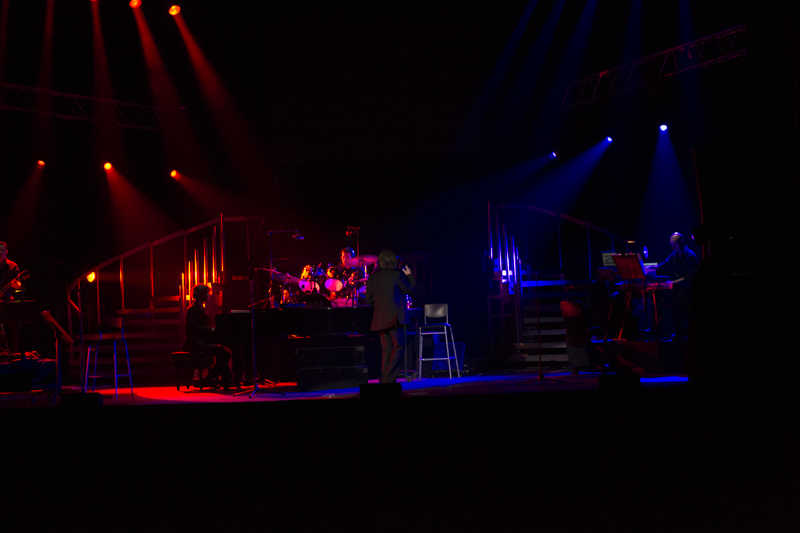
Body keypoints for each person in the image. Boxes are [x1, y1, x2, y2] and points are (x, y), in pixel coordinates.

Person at [364, 249, 416, 383]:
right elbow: (410, 289)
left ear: (381, 262)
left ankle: (386, 380)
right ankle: (388, 380)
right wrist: (409, 275)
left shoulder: (372, 278)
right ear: (393, 261)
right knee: (398, 347)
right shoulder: (396, 275)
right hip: (395, 318)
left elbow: (369, 300)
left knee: (386, 349)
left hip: (380, 318)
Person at [185, 284, 234, 389]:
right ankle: (220, 380)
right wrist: (209, 329)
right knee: (223, 353)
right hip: (195, 343)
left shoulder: (200, 308)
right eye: (206, 293)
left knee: (224, 353)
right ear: (200, 294)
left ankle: (214, 379)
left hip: (199, 342)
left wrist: (210, 329)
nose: (208, 295)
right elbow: (192, 327)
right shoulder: (192, 309)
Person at [655, 233, 698, 339]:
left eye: (675, 244)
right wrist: (650, 268)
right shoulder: (674, 255)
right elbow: (664, 264)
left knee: (678, 301)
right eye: (671, 245)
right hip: (677, 288)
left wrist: (674, 282)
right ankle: (668, 330)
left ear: (681, 242)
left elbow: (689, 277)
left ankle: (683, 331)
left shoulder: (691, 256)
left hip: (688, 289)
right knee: (661, 297)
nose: (673, 247)